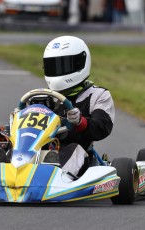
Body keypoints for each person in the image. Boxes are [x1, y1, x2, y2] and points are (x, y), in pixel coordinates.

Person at [42, 36, 115, 177]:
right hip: (40, 151)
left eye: (64, 65)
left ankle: (54, 178)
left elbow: (101, 128)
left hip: (77, 152)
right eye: (54, 66)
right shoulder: (43, 96)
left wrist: (80, 122)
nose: (58, 71)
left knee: (74, 150)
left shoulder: (98, 95)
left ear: (80, 62)